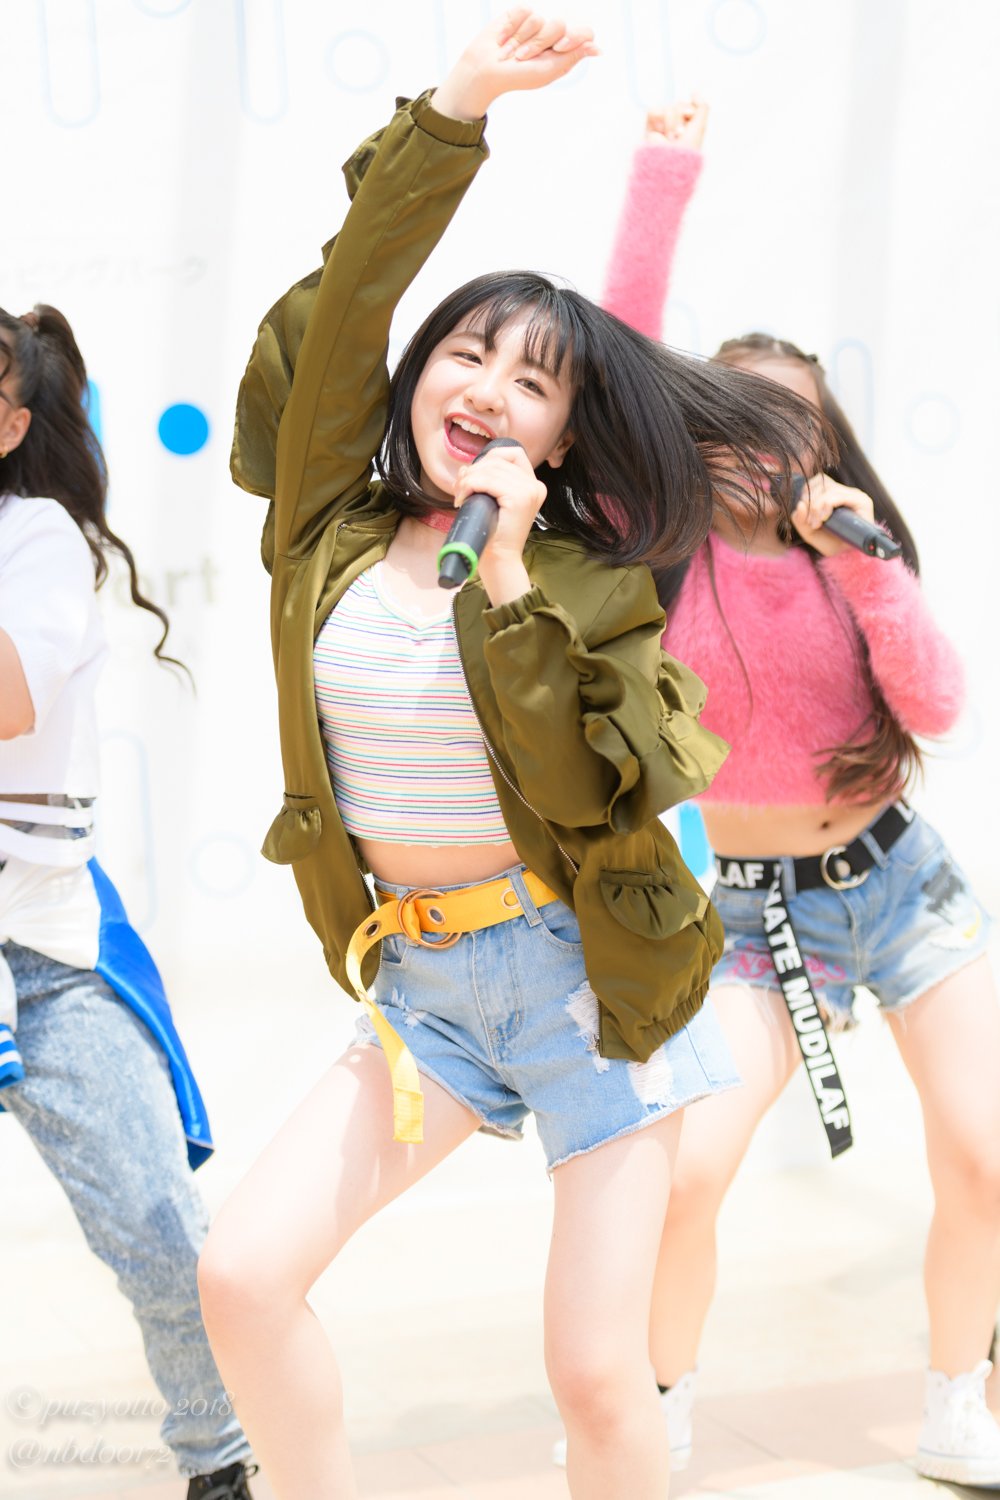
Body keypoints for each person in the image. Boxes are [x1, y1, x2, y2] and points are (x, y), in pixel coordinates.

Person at [199, 12, 828, 1498]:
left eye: (529, 381)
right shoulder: (325, 529)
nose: (484, 387)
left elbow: (579, 792)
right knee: (243, 1275)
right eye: (464, 353)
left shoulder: (588, 584)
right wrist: (457, 109)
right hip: (421, 983)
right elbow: (346, 304)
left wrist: (505, 588)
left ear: (560, 436)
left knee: (597, 1375)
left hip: (586, 983)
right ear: (416, 374)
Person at [590, 104, 1000, 1489]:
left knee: (985, 1155)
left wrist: (863, 562)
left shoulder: (853, 555)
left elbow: (935, 704)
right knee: (691, 1170)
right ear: (694, 431)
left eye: (794, 429)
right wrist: (663, 174)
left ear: (825, 445)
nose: (763, 451)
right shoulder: (659, 549)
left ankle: (957, 1399)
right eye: (737, 422)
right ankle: (660, 1411)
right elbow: (614, 354)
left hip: (899, 882)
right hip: (753, 915)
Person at [0, 306, 257, 1500]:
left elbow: (9, 699)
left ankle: (221, 1456)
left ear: (12, 425)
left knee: (158, 1227)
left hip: (44, 951)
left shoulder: (37, 537)